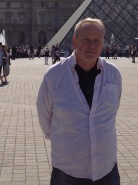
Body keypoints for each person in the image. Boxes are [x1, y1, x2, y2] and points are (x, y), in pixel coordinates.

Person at [37, 18, 122, 184]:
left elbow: (112, 111)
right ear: (75, 41)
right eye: (86, 40)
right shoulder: (53, 76)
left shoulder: (114, 74)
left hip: (106, 169)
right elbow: (45, 119)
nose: (92, 45)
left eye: (96, 40)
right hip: (68, 171)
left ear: (102, 43)